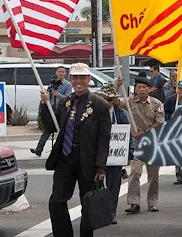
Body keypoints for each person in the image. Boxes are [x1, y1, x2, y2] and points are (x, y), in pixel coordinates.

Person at [45, 63, 111, 237]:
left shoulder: (100, 105)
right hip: (65, 158)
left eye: (82, 78)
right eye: (75, 78)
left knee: (87, 204)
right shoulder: (65, 102)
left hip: (87, 160)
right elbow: (51, 126)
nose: (78, 81)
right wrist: (45, 104)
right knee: (56, 201)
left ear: (89, 79)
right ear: (70, 79)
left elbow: (104, 139)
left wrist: (100, 168)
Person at [120, 77, 165, 214]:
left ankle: (152, 202)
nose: (141, 89)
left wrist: (145, 132)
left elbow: (160, 123)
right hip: (137, 144)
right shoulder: (129, 102)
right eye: (139, 87)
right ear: (135, 88)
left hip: (153, 142)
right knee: (135, 172)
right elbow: (114, 101)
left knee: (153, 175)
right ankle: (134, 202)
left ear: (149, 89)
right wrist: (117, 86)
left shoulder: (156, 104)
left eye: (144, 87)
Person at [98, 83, 131, 225]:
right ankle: (97, 212)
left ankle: (111, 212)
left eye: (110, 99)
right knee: (97, 187)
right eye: (104, 99)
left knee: (113, 187)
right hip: (97, 156)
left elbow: (127, 135)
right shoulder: (93, 113)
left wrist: (129, 154)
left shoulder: (121, 114)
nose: (107, 102)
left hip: (115, 156)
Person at [31, 73, 68, 157]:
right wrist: (45, 99)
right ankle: (39, 149)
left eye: (62, 72)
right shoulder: (51, 86)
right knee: (47, 130)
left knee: (62, 132)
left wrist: (58, 95)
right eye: (59, 72)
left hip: (62, 112)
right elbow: (48, 98)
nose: (60, 74)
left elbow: (68, 98)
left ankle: (61, 150)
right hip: (52, 110)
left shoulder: (67, 85)